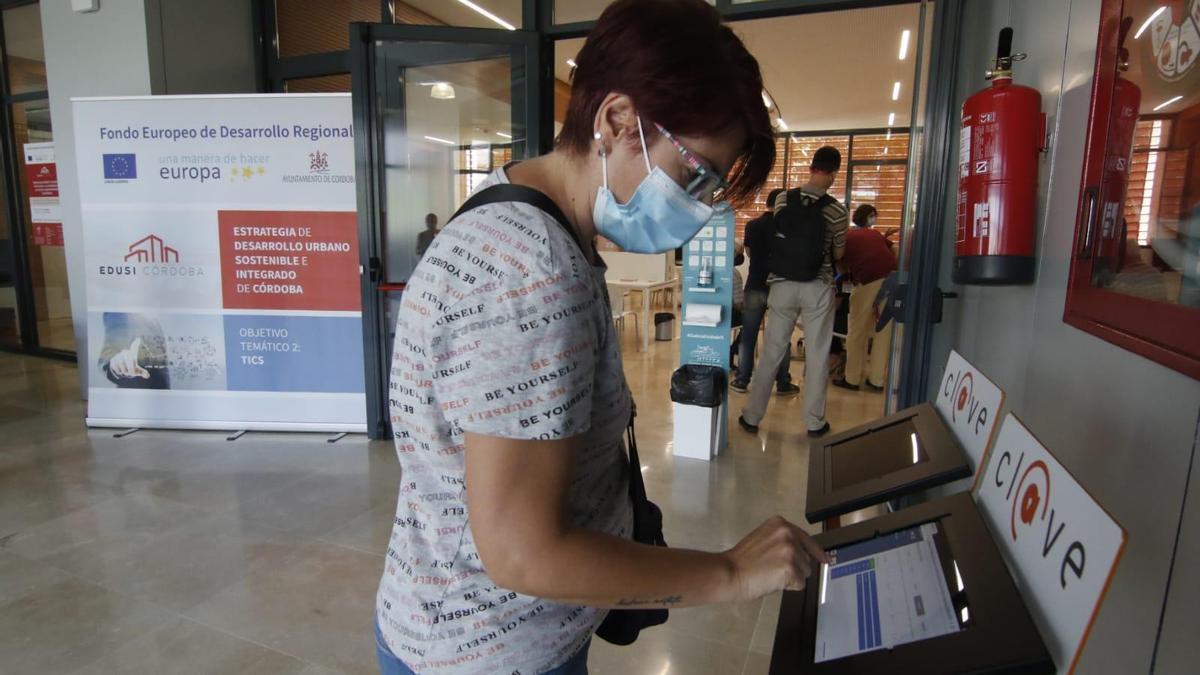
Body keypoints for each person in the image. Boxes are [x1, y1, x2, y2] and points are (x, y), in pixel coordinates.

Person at [375, 3, 828, 674]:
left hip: (482, 630)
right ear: (617, 122)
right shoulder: (531, 272)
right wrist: (731, 571)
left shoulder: (520, 208)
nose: (702, 205)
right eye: (697, 174)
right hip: (490, 651)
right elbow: (524, 552)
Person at [738, 146, 848, 438]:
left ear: (811, 167)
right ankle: (814, 422)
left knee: (773, 350)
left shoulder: (786, 198)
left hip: (782, 285)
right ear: (834, 173)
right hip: (818, 287)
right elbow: (839, 252)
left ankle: (751, 416)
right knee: (817, 354)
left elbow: (779, 237)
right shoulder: (837, 210)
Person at [731, 188, 798, 395]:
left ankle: (742, 380)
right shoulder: (790, 227)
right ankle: (783, 382)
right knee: (781, 337)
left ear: (767, 203)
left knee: (748, 335)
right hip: (781, 286)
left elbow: (749, 253)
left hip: (755, 285)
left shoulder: (753, 225)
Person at [834, 204, 897, 391]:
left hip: (868, 280)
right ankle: (876, 380)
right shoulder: (875, 234)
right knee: (883, 331)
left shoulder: (845, 238)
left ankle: (852, 378)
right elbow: (896, 250)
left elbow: (840, 266)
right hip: (891, 279)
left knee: (856, 331)